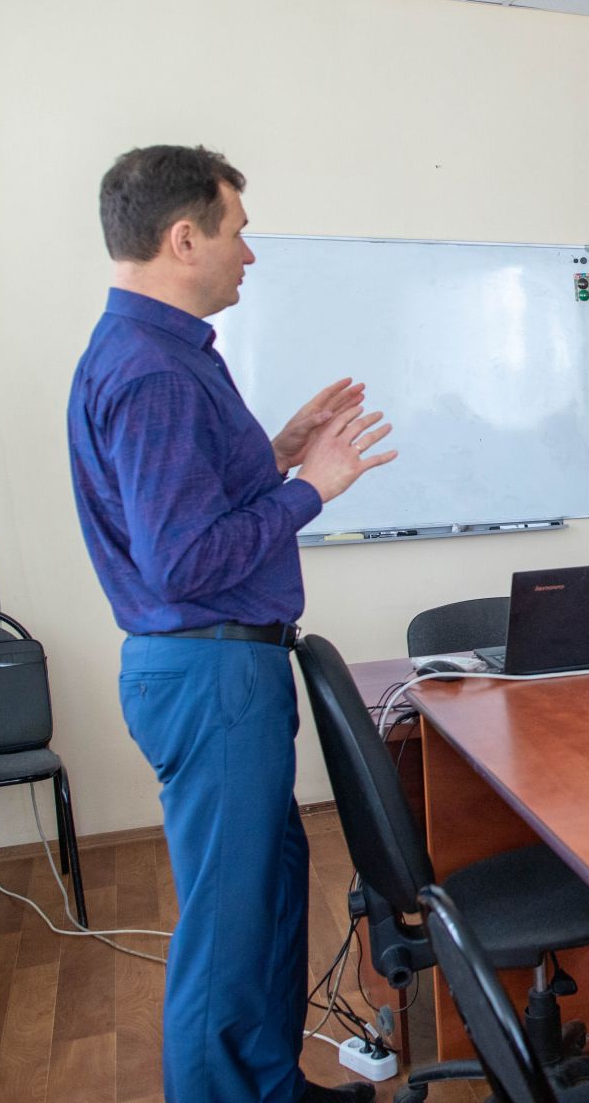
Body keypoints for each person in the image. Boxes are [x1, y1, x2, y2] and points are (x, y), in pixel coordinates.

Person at [68, 146, 394, 1103]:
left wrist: (276, 452)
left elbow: (194, 511)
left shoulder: (161, 353)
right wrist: (309, 489)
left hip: (220, 672)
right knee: (226, 928)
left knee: (266, 899)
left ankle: (270, 1086)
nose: (248, 253)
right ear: (184, 239)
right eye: (237, 232)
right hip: (210, 675)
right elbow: (183, 562)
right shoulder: (155, 372)